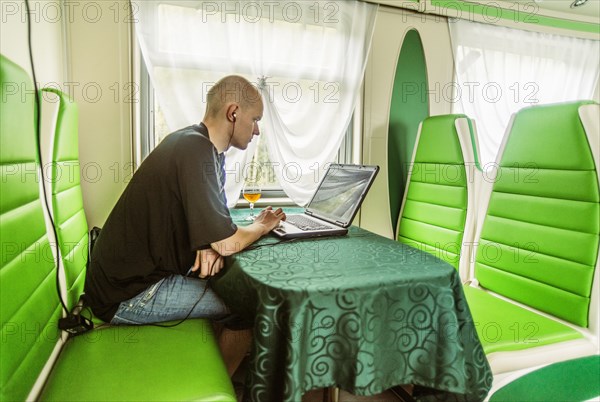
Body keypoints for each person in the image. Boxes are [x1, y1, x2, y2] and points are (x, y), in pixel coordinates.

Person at [84, 75, 285, 376]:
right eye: (255, 120)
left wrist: (210, 243)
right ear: (233, 113)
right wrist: (261, 225)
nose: (257, 130)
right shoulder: (196, 150)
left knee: (229, 281)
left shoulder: (203, 149)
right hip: (126, 296)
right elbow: (228, 242)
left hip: (131, 280)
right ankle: (219, 389)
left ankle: (213, 375)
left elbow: (219, 229)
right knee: (249, 306)